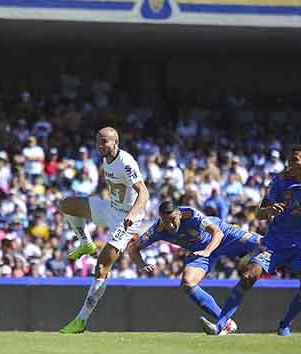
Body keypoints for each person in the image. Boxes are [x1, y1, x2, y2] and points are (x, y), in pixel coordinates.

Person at [203, 145, 301, 336]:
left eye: (295, 160)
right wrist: (269, 211)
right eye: (289, 160)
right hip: (275, 242)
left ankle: (285, 324)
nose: (289, 164)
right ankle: (220, 324)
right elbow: (260, 213)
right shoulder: (278, 181)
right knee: (248, 276)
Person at [58, 127, 148, 334]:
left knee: (101, 269)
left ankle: (81, 320)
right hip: (111, 208)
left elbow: (144, 192)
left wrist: (132, 215)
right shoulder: (105, 159)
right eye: (98, 140)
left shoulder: (126, 162)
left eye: (105, 141)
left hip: (127, 220)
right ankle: (85, 243)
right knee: (66, 205)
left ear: (116, 142)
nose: (100, 144)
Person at [128, 201, 261, 335]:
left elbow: (217, 233)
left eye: (173, 219)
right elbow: (133, 248)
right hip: (200, 251)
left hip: (224, 235)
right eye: (165, 221)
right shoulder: (158, 230)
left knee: (263, 244)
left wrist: (208, 251)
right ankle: (226, 322)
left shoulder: (191, 214)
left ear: (179, 214)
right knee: (187, 283)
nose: (170, 225)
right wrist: (141, 265)